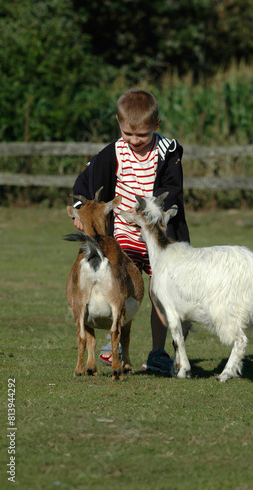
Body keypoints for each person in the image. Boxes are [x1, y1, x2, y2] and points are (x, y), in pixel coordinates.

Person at [71, 88, 190, 374]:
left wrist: (153, 212)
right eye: (128, 134)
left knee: (161, 293)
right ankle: (116, 346)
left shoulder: (167, 152)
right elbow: (84, 183)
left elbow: (172, 190)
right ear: (118, 124)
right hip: (123, 233)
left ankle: (159, 353)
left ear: (156, 126)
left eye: (142, 136)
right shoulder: (112, 152)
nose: (135, 141)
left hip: (158, 236)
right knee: (123, 288)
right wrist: (79, 210)